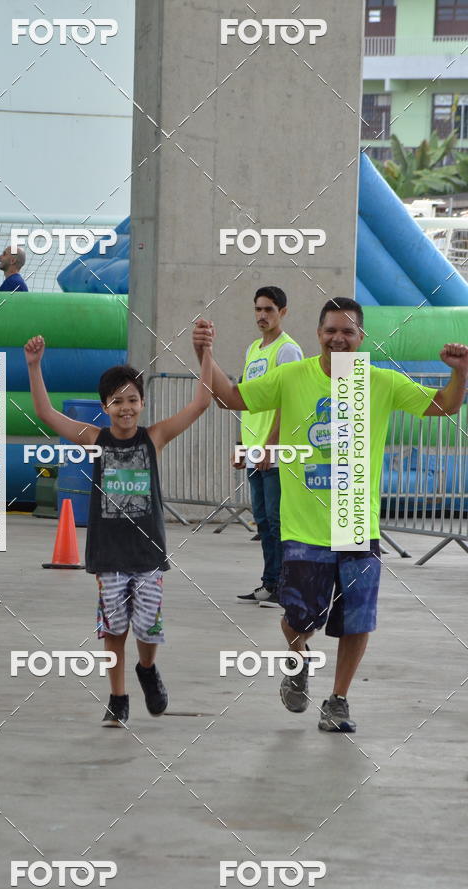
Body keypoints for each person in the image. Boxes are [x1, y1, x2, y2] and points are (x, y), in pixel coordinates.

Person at [193, 298, 468, 733]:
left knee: (357, 620)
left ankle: (338, 700)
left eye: (348, 332)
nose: (338, 339)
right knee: (296, 619)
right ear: (318, 334)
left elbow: (444, 406)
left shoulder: (379, 382)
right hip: (304, 526)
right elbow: (230, 398)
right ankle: (298, 659)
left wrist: (461, 372)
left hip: (356, 522)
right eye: (330, 331)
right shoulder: (292, 376)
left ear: (361, 338)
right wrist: (204, 354)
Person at [24, 335, 212, 727]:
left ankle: (147, 669)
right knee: (114, 629)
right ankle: (117, 697)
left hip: (147, 555)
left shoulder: (154, 437)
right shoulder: (96, 441)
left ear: (142, 403)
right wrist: (34, 365)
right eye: (117, 401)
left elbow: (200, 403)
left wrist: (205, 354)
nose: (125, 408)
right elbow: (45, 413)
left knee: (148, 628)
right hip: (108, 555)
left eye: (132, 400)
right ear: (104, 407)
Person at [226, 286, 302, 606]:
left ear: (282, 312)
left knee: (278, 520)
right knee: (263, 521)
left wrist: (272, 444)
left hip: (275, 452)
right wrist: (242, 445)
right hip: (254, 449)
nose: (262, 315)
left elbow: (290, 401)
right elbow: (248, 399)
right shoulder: (253, 349)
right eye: (258, 309)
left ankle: (287, 585)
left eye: (269, 309)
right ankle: (270, 582)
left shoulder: (287, 350)